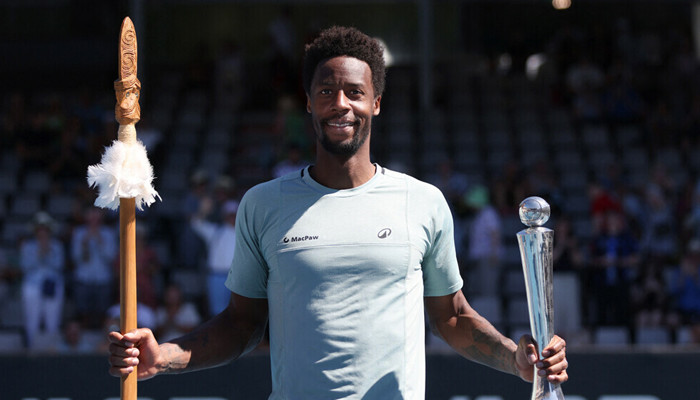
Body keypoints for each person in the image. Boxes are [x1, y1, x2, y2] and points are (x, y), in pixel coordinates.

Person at [108, 26, 568, 399]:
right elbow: (241, 325)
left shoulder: (423, 201)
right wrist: (163, 355)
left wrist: (515, 359)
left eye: (354, 91)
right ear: (309, 103)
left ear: (376, 102)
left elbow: (452, 317)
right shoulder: (263, 204)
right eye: (326, 91)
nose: (340, 104)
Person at [20, 211, 66, 349]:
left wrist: (48, 251)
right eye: (40, 228)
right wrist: (40, 253)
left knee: (52, 320)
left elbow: (59, 265)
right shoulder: (28, 246)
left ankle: (51, 348)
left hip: (52, 284)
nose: (42, 231)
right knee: (32, 319)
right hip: (32, 285)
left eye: (45, 228)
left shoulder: (57, 246)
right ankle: (31, 348)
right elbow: (25, 266)